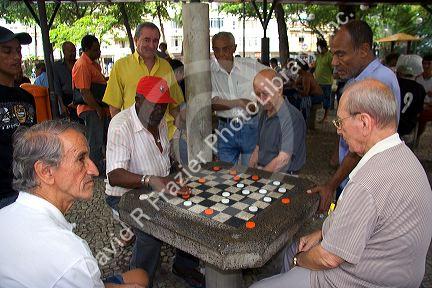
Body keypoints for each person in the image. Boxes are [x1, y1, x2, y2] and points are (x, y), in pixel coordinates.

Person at [250, 79, 432, 288]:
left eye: (340, 122)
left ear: (364, 123)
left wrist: (298, 262)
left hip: (357, 280)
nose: (338, 131)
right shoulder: (404, 156)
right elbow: (365, 222)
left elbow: (328, 258)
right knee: (294, 248)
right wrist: (322, 232)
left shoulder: (369, 181)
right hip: (395, 270)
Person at [0, 120, 149, 287]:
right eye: (81, 159)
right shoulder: (73, 258)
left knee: (140, 275)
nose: (94, 170)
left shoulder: (4, 215)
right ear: (46, 172)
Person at [106, 76, 204, 288]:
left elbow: (163, 156)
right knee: (151, 229)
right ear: (138, 100)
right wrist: (150, 179)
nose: (159, 111)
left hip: (155, 187)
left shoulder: (157, 121)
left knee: (192, 210)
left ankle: (184, 264)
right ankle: (141, 278)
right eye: (154, 105)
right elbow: (114, 175)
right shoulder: (121, 125)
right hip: (123, 195)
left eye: (163, 105)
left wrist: (178, 171)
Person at [308, 20, 401, 212]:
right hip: (350, 176)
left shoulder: (378, 81)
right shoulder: (354, 80)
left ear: (364, 50)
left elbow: (362, 144)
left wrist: (331, 184)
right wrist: (338, 151)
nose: (334, 62)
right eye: (333, 54)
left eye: (340, 54)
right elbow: (348, 127)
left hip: (365, 183)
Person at [102, 22, 183, 140]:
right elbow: (114, 108)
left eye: (155, 41)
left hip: (166, 134)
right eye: (146, 40)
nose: (151, 45)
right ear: (136, 40)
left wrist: (178, 130)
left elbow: (174, 105)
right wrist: (121, 135)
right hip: (134, 136)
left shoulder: (166, 66)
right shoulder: (120, 66)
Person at [211, 31, 266, 165]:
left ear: (234, 48)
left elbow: (275, 78)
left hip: (250, 125)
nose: (221, 54)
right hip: (225, 127)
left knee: (251, 174)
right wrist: (240, 102)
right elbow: (211, 104)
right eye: (216, 50)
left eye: (225, 49)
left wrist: (260, 101)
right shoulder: (210, 71)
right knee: (227, 175)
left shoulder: (250, 65)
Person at [0, 26, 36, 209]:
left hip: (26, 189)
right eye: (7, 51)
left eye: (18, 50)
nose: (16, 57)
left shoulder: (26, 98)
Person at [249, 69, 306, 174]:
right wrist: (250, 171)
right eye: (257, 94)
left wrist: (259, 178)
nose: (261, 99)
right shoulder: (264, 112)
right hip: (265, 172)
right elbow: (258, 147)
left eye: (265, 93)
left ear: (279, 90)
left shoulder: (292, 118)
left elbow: (283, 160)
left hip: (284, 176)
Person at [72, 34, 108, 174]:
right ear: (86, 49)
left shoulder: (93, 64)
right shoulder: (82, 64)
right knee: (95, 140)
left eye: (98, 49)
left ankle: (100, 165)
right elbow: (85, 92)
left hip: (97, 107)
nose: (98, 52)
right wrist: (97, 108)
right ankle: (95, 168)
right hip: (91, 108)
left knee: (101, 138)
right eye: (95, 50)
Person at [396, 65, 425, 141]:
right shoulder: (420, 88)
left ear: (398, 74)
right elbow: (419, 111)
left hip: (393, 124)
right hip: (409, 126)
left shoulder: (395, 84)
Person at [53, 41, 78, 120]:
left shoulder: (79, 63)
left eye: (74, 51)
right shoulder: (57, 66)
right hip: (66, 98)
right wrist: (62, 105)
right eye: (70, 51)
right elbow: (57, 87)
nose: (73, 53)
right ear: (64, 52)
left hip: (79, 97)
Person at [294, 60, 323, 128]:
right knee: (295, 99)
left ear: (300, 68)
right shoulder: (302, 75)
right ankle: (301, 120)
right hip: (314, 95)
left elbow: (305, 93)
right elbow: (296, 84)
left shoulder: (306, 76)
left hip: (317, 97)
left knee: (299, 102)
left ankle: (303, 121)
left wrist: (295, 88)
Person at [314, 39, 333, 122]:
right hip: (318, 82)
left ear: (324, 47)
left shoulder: (329, 56)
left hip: (326, 83)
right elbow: (316, 66)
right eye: (318, 48)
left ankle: (325, 117)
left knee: (326, 100)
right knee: (318, 99)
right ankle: (318, 116)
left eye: (320, 48)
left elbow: (333, 69)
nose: (319, 49)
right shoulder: (318, 56)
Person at [416, 54, 432, 144]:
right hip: (420, 105)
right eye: (424, 63)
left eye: (429, 64)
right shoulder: (418, 78)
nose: (426, 66)